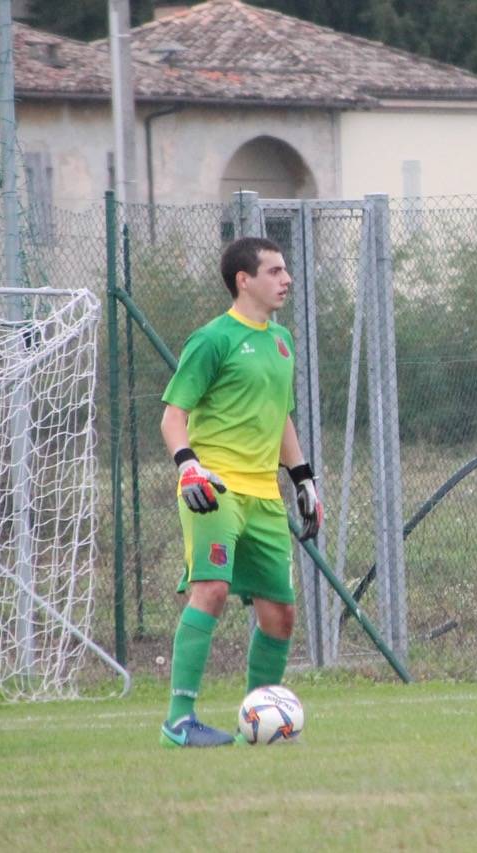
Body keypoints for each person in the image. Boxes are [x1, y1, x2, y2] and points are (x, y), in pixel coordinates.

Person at [158, 236, 324, 748]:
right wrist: (189, 468)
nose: (286, 279)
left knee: (280, 612)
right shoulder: (212, 339)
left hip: (265, 495)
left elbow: (280, 418)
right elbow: (173, 416)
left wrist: (303, 478)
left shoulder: (281, 341)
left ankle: (257, 720)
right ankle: (178, 721)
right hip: (216, 488)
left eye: (285, 270)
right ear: (243, 281)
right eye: (274, 271)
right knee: (212, 589)